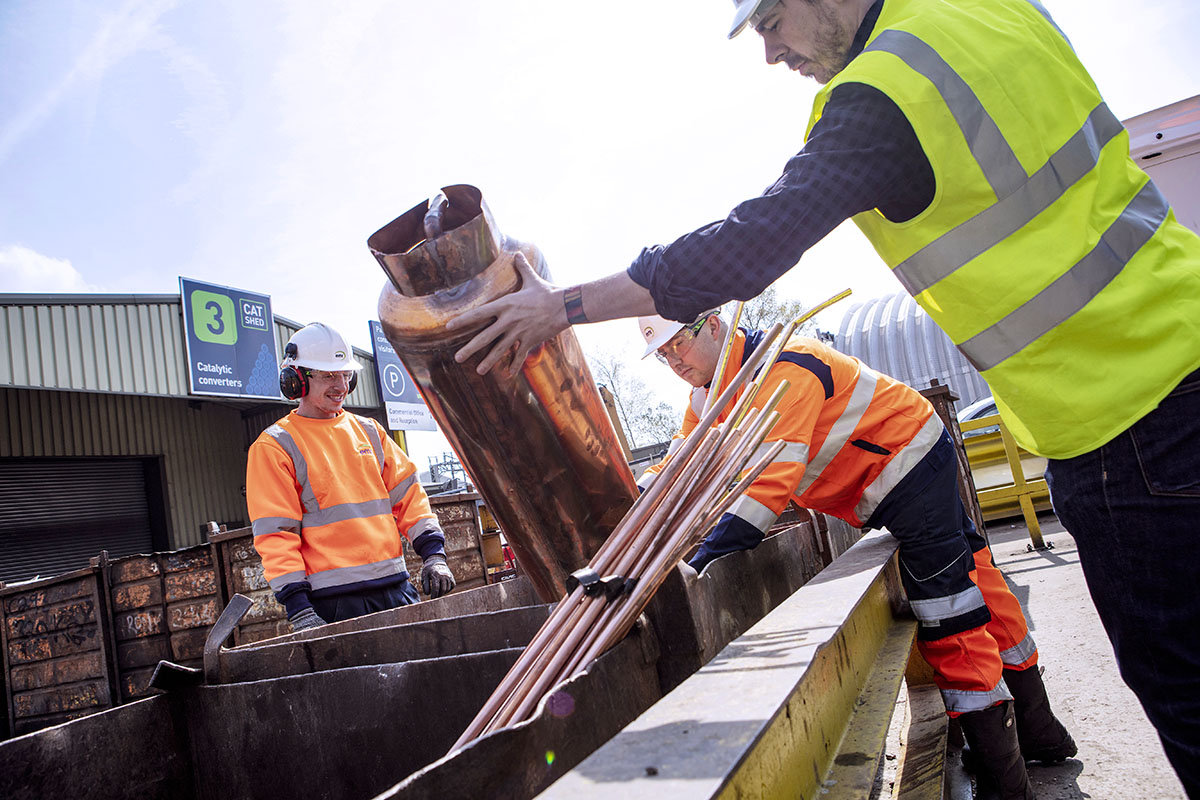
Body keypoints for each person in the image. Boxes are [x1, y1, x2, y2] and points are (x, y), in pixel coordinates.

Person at [447, 0, 1200, 793]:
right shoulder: (989, 10)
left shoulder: (884, 97)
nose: (772, 52)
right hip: (1174, 345)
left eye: (772, 20)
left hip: (1120, 421)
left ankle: (1012, 765)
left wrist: (559, 307)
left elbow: (747, 248)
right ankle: (1034, 728)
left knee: (993, 619)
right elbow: (681, 472)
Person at [640, 308, 1073, 796]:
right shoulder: (708, 398)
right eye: (661, 354)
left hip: (906, 464)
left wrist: (696, 563)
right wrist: (640, 488)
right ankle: (1040, 733)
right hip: (884, 477)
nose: (673, 359)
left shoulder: (784, 370)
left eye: (679, 343)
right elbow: (685, 453)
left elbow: (765, 493)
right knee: (977, 575)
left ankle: (1006, 782)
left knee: (948, 613)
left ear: (715, 325)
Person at [246, 322, 456, 633]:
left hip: (396, 589)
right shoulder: (275, 446)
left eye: (345, 375)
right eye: (328, 375)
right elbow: (276, 535)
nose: (341, 386)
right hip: (333, 604)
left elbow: (409, 496)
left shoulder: (370, 431)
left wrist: (434, 555)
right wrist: (299, 609)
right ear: (297, 380)